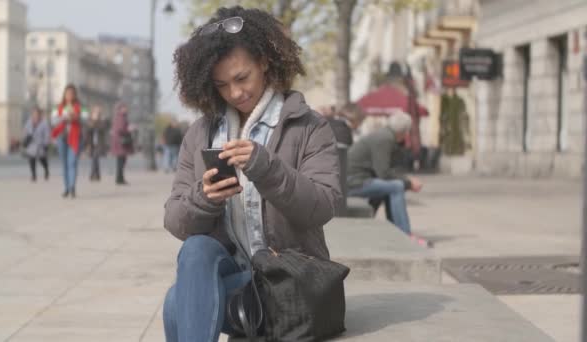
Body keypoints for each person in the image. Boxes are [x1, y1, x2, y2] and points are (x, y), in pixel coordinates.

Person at [162, 6, 342, 342]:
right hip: (236, 276)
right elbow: (174, 221)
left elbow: (324, 206)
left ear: (264, 62)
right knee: (197, 249)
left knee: (176, 303)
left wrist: (267, 167)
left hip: (290, 280)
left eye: (241, 78)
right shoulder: (202, 134)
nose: (235, 93)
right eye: (222, 85)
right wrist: (204, 199)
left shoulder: (308, 126)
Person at [346, 112, 431, 247]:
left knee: (389, 187)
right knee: (396, 186)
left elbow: (388, 169)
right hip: (354, 182)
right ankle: (405, 235)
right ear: (404, 132)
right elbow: (383, 173)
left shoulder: (386, 136)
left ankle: (395, 233)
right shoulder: (385, 139)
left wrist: (406, 178)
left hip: (356, 180)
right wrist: (408, 183)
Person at [51, 84, 88, 198]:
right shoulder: (58, 107)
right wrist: (64, 117)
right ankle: (66, 187)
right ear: (64, 95)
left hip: (75, 137)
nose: (69, 95)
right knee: (64, 164)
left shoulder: (81, 107)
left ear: (75, 95)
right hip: (62, 137)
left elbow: (86, 120)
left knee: (72, 162)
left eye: (72, 93)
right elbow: (53, 121)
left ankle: (72, 187)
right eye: (67, 93)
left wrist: (76, 117)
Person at [23, 107, 50, 182]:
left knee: (42, 159)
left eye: (37, 114)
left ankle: (46, 170)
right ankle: (33, 175)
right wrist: (26, 138)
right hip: (31, 144)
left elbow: (47, 134)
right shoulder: (29, 122)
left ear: (40, 114)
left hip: (41, 144)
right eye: (34, 114)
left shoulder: (44, 123)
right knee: (32, 159)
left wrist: (46, 144)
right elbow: (25, 131)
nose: (36, 115)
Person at [110, 102, 133, 185]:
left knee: (121, 161)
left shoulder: (120, 116)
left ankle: (120, 178)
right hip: (121, 143)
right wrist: (129, 129)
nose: (126, 109)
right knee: (121, 161)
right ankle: (119, 179)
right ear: (121, 109)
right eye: (124, 107)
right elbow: (120, 129)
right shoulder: (121, 117)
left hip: (119, 142)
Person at [85, 106, 108, 181]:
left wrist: (99, 121)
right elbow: (88, 131)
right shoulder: (89, 121)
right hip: (91, 143)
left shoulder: (102, 121)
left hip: (99, 143)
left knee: (95, 158)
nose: (97, 114)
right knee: (94, 159)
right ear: (92, 113)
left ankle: (92, 175)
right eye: (95, 112)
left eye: (98, 113)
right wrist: (93, 122)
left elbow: (103, 129)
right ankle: (97, 175)